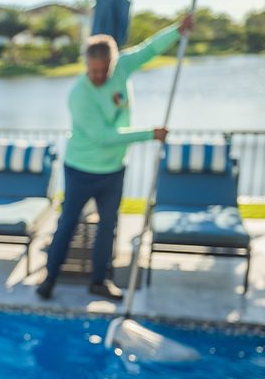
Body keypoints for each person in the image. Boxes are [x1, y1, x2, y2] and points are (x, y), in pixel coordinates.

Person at [36, 15, 194, 301]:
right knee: (68, 224)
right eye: (93, 70)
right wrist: (150, 134)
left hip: (113, 170)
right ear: (86, 64)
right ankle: (50, 279)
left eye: (103, 70)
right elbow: (105, 136)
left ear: (112, 62)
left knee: (108, 226)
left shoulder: (123, 67)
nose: (97, 76)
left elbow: (149, 49)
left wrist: (176, 31)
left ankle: (99, 281)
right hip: (80, 170)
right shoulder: (79, 95)